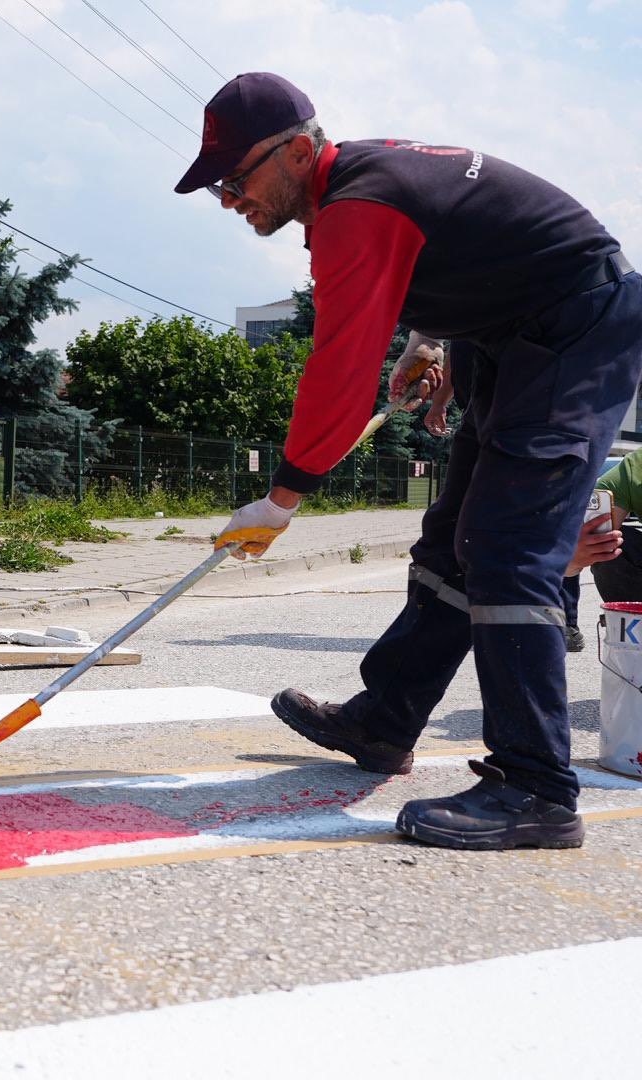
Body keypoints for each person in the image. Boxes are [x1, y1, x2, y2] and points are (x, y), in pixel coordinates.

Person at [174, 73, 642, 850]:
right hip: (513, 329)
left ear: (296, 151)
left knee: (508, 548)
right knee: (450, 536)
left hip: (576, 328)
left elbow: (340, 368)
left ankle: (537, 789)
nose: (229, 199)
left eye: (235, 178)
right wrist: (430, 339)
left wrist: (282, 500)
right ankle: (386, 721)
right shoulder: (358, 188)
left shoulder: (358, 206)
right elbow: (468, 244)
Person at [427, 342, 589, 652]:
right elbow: (456, 350)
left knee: (543, 528)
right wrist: (440, 402)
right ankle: (459, 622)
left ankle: (563, 619)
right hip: (479, 410)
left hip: (535, 407)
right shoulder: (464, 317)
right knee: (457, 528)